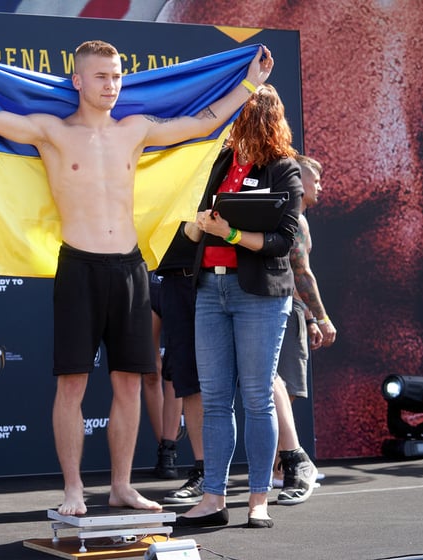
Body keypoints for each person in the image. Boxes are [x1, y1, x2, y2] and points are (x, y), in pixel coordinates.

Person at [0, 39, 274, 516]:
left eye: (118, 75)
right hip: (79, 267)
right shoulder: (53, 132)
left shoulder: (135, 129)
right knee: (72, 385)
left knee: (129, 384)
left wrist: (251, 82)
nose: (113, 84)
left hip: (129, 268)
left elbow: (204, 121)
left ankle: (122, 486)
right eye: (103, 76)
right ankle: (72, 489)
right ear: (78, 81)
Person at [159, 0, 423, 460]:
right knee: (235, 392)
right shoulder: (217, 12)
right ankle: (269, 468)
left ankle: (280, 469)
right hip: (338, 420)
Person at [174, 84, 303, 529]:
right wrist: (200, 226)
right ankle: (213, 497)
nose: (230, 121)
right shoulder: (222, 162)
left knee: (256, 398)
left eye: (238, 112)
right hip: (210, 289)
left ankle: (258, 499)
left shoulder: (284, 169)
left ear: (258, 118)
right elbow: (198, 223)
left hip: (259, 296)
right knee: (213, 401)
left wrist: (228, 234)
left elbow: (283, 241)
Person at [272, 154, 336, 506]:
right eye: (315, 179)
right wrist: (322, 317)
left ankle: (280, 469)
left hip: (289, 308)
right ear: (297, 180)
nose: (320, 187)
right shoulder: (294, 218)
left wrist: (310, 319)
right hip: (283, 307)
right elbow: (302, 273)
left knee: (280, 391)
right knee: (282, 389)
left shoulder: (292, 218)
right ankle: (287, 466)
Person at [156, 223, 206, 504]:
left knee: (254, 376)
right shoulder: (158, 179)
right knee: (188, 378)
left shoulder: (219, 177)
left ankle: (288, 460)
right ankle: (204, 471)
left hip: (222, 276)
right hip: (175, 278)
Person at [143, 271, 183, 480]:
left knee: (174, 371)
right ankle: (164, 450)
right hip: (146, 283)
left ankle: (169, 450)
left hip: (177, 282)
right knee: (151, 370)